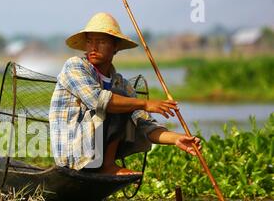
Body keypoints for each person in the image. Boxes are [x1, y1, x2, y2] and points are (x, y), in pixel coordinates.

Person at [49, 12, 201, 176]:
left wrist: (176, 139)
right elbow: (98, 100)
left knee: (124, 99)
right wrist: (145, 103)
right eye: (89, 41)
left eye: (100, 42)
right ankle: (108, 166)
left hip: (96, 152)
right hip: (74, 155)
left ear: (115, 47)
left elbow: (143, 123)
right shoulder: (75, 66)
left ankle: (106, 164)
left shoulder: (122, 84)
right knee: (117, 97)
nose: (93, 47)